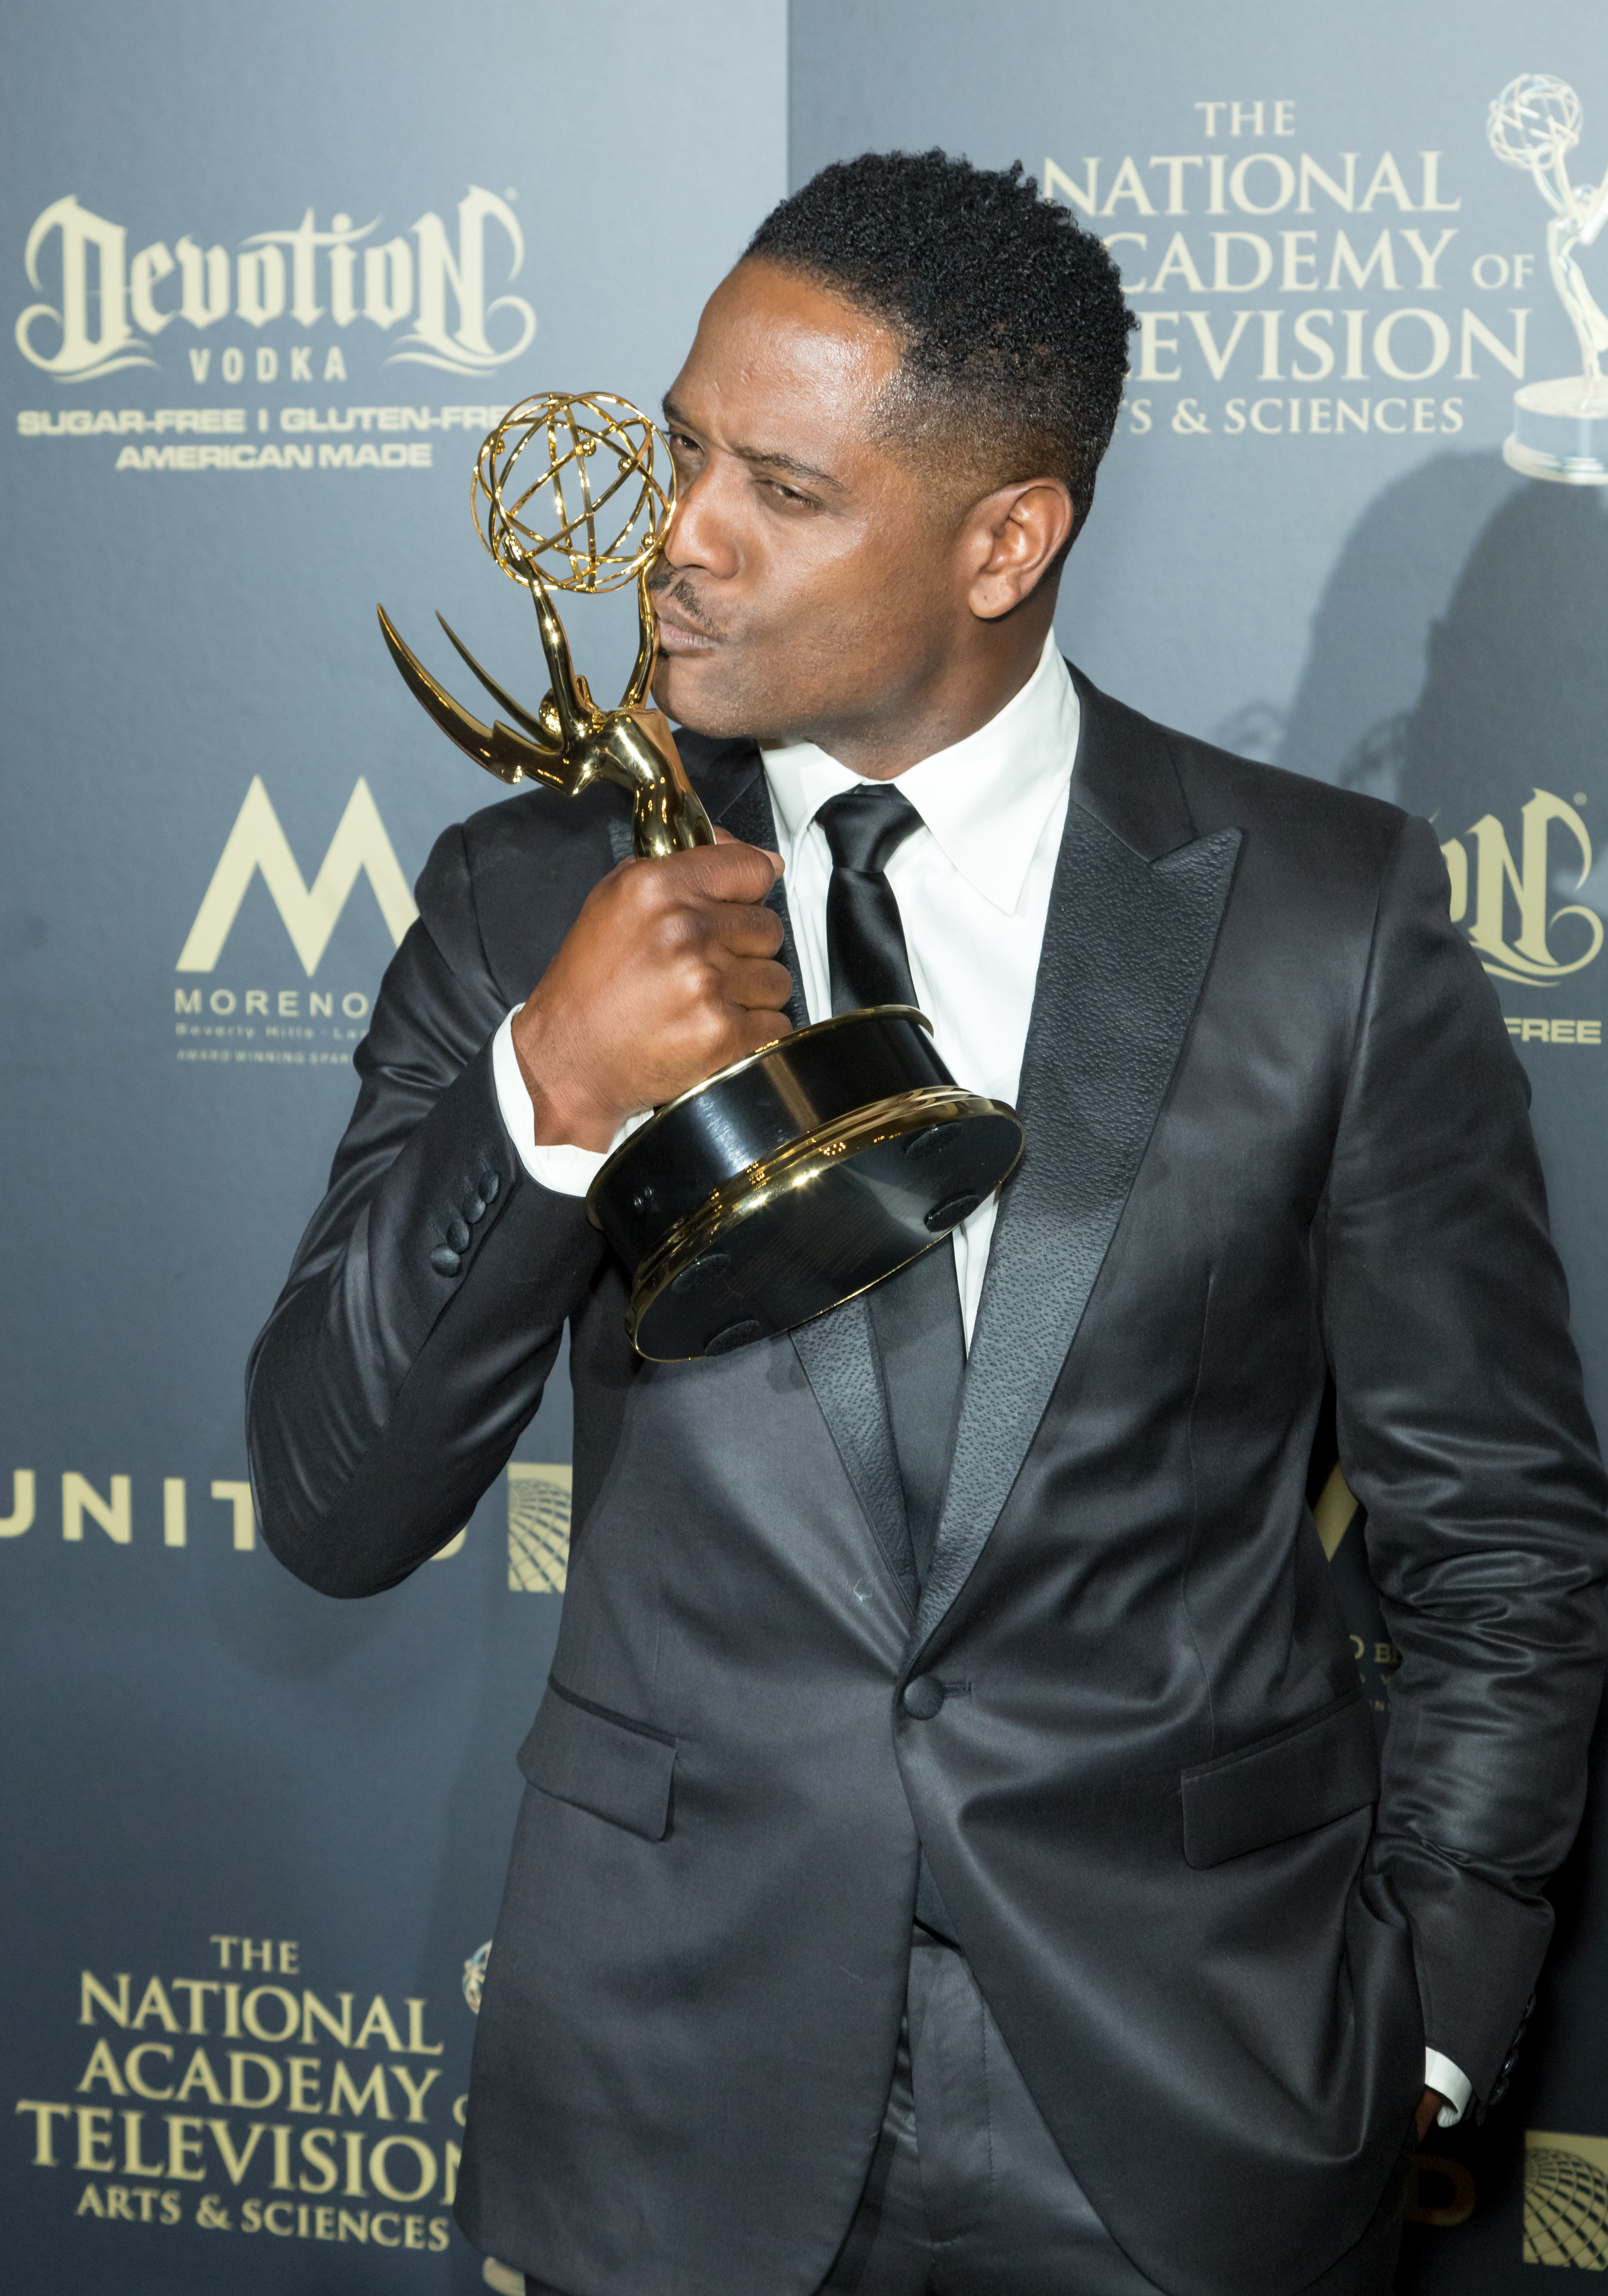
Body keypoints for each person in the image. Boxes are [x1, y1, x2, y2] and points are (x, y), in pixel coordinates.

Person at [248, 151, 1608, 2296]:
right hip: (665, 2109)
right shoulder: (533, 896)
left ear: (1007, 539)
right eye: (685, 448)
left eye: (779, 489)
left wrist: (1430, 2031)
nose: (678, 536)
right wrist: (551, 1099)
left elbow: (1505, 1536)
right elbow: (334, 1503)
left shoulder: (1324, 917)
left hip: (1194, 2110)